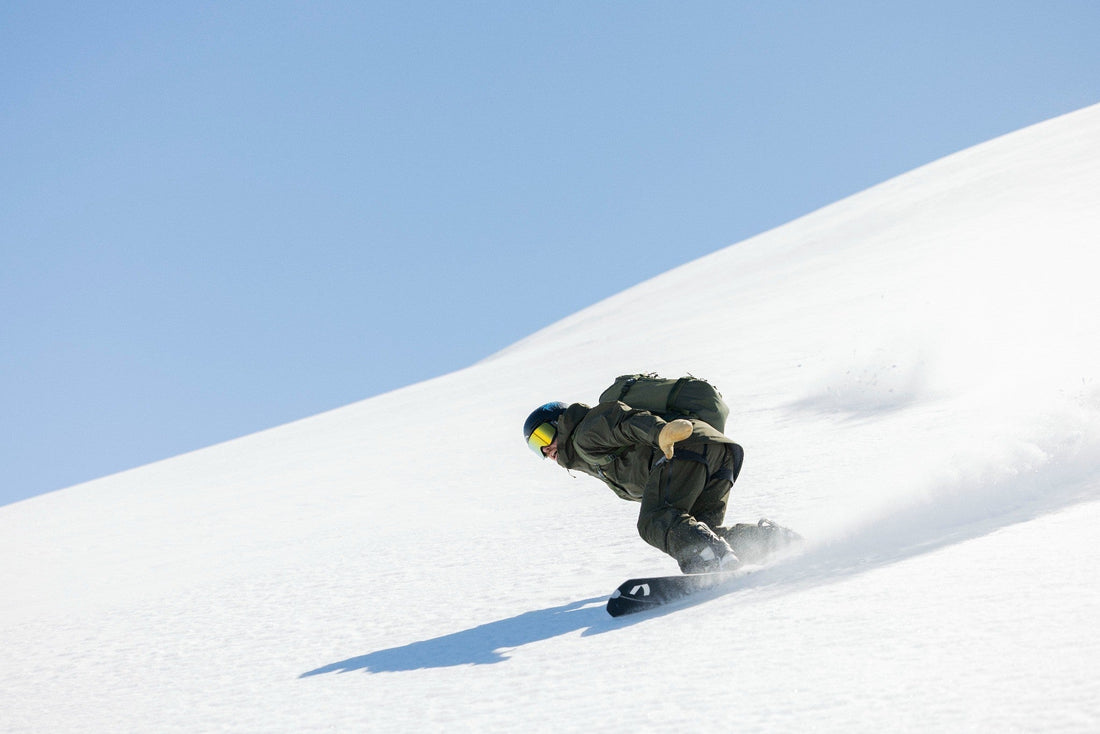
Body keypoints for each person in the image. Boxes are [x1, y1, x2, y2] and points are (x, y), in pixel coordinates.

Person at [525, 399, 796, 573]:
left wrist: (661, 433)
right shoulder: (590, 458)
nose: (546, 448)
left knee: (655, 520)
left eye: (543, 435)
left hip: (680, 447)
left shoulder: (585, 431)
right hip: (718, 453)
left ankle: (709, 558)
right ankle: (772, 541)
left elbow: (625, 422)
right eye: (536, 446)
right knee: (701, 530)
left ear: (560, 424)